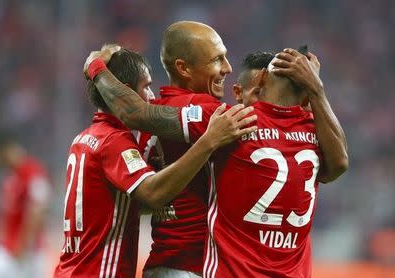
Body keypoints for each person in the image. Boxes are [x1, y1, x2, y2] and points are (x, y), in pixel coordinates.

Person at [84, 44, 348, 277]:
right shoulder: (314, 130)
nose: (226, 68)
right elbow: (339, 164)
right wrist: (317, 91)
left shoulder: (232, 121)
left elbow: (135, 112)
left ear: (262, 80)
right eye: (217, 59)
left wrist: (95, 66)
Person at [54, 46, 256, 278]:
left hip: (71, 269)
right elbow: (152, 193)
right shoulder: (114, 142)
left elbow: (122, 208)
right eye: (147, 86)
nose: (152, 96)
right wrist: (209, 141)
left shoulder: (85, 138)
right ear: (126, 92)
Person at [139, 21, 233, 278]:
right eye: (217, 59)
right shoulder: (207, 110)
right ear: (184, 68)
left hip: (161, 264)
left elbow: (141, 203)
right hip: (194, 265)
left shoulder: (151, 119)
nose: (228, 68)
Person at [0, 132, 52, 278]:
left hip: (27, 255)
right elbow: (10, 215)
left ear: (4, 150)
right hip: (8, 249)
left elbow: (38, 210)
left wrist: (24, 246)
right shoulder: (9, 176)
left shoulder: (33, 172)